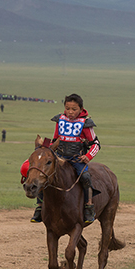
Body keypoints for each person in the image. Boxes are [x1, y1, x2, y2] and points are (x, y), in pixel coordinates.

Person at [30, 93, 100, 225]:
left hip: (77, 159)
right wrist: (47, 151)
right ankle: (40, 206)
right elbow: (56, 140)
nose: (70, 112)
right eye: (68, 108)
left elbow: (96, 144)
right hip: (60, 157)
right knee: (43, 174)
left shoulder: (85, 123)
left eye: (74, 109)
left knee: (85, 177)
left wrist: (88, 156)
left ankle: (89, 206)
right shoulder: (60, 120)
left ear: (81, 109)